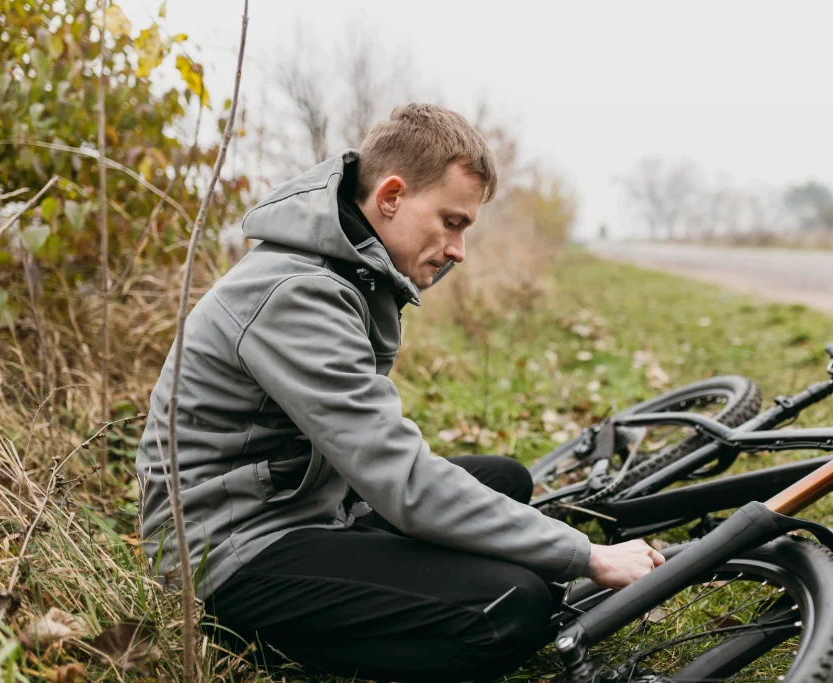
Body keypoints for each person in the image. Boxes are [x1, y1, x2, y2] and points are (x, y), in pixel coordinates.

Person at [135, 103, 665, 682]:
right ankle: (289, 653)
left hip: (305, 512)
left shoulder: (343, 270)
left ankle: (382, 606)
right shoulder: (293, 295)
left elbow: (385, 469)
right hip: (227, 555)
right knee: (513, 606)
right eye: (452, 222)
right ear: (390, 197)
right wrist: (586, 556)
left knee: (505, 478)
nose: (459, 250)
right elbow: (401, 477)